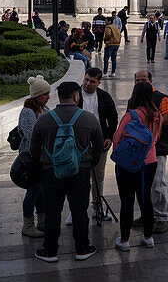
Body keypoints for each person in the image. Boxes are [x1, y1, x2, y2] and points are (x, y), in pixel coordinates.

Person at [29, 80, 103, 263]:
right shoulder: (89, 119)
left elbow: (33, 150)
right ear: (76, 96)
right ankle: (82, 249)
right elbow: (99, 146)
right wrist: (89, 162)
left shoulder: (44, 119)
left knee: (52, 211)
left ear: (58, 97)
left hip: (51, 172)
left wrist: (44, 165)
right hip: (81, 172)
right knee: (79, 211)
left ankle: (50, 251)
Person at [111, 82, 163, 251]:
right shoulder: (158, 116)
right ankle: (148, 237)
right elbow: (155, 139)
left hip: (129, 164)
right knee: (145, 199)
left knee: (127, 201)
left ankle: (124, 240)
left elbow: (117, 138)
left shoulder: (131, 115)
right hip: (150, 162)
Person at [133, 70, 168, 234]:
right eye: (138, 80)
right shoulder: (134, 99)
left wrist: (151, 122)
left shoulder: (161, 97)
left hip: (158, 148)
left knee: (157, 184)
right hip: (139, 150)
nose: (141, 82)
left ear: (151, 81)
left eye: (144, 79)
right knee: (142, 185)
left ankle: (162, 218)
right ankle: (146, 215)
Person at [75, 68, 118, 223]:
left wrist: (109, 137)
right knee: (79, 177)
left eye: (92, 81)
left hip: (99, 142)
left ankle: (97, 208)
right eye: (86, 79)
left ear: (99, 83)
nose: (88, 84)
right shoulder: (76, 95)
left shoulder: (104, 97)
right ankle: (77, 210)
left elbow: (113, 117)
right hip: (78, 144)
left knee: (98, 177)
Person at [18, 75, 51, 237]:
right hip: (32, 160)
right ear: (36, 95)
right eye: (45, 94)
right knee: (33, 191)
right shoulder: (27, 112)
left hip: (43, 158)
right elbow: (33, 136)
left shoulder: (45, 109)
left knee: (41, 190)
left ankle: (43, 222)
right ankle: (28, 225)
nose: (48, 97)